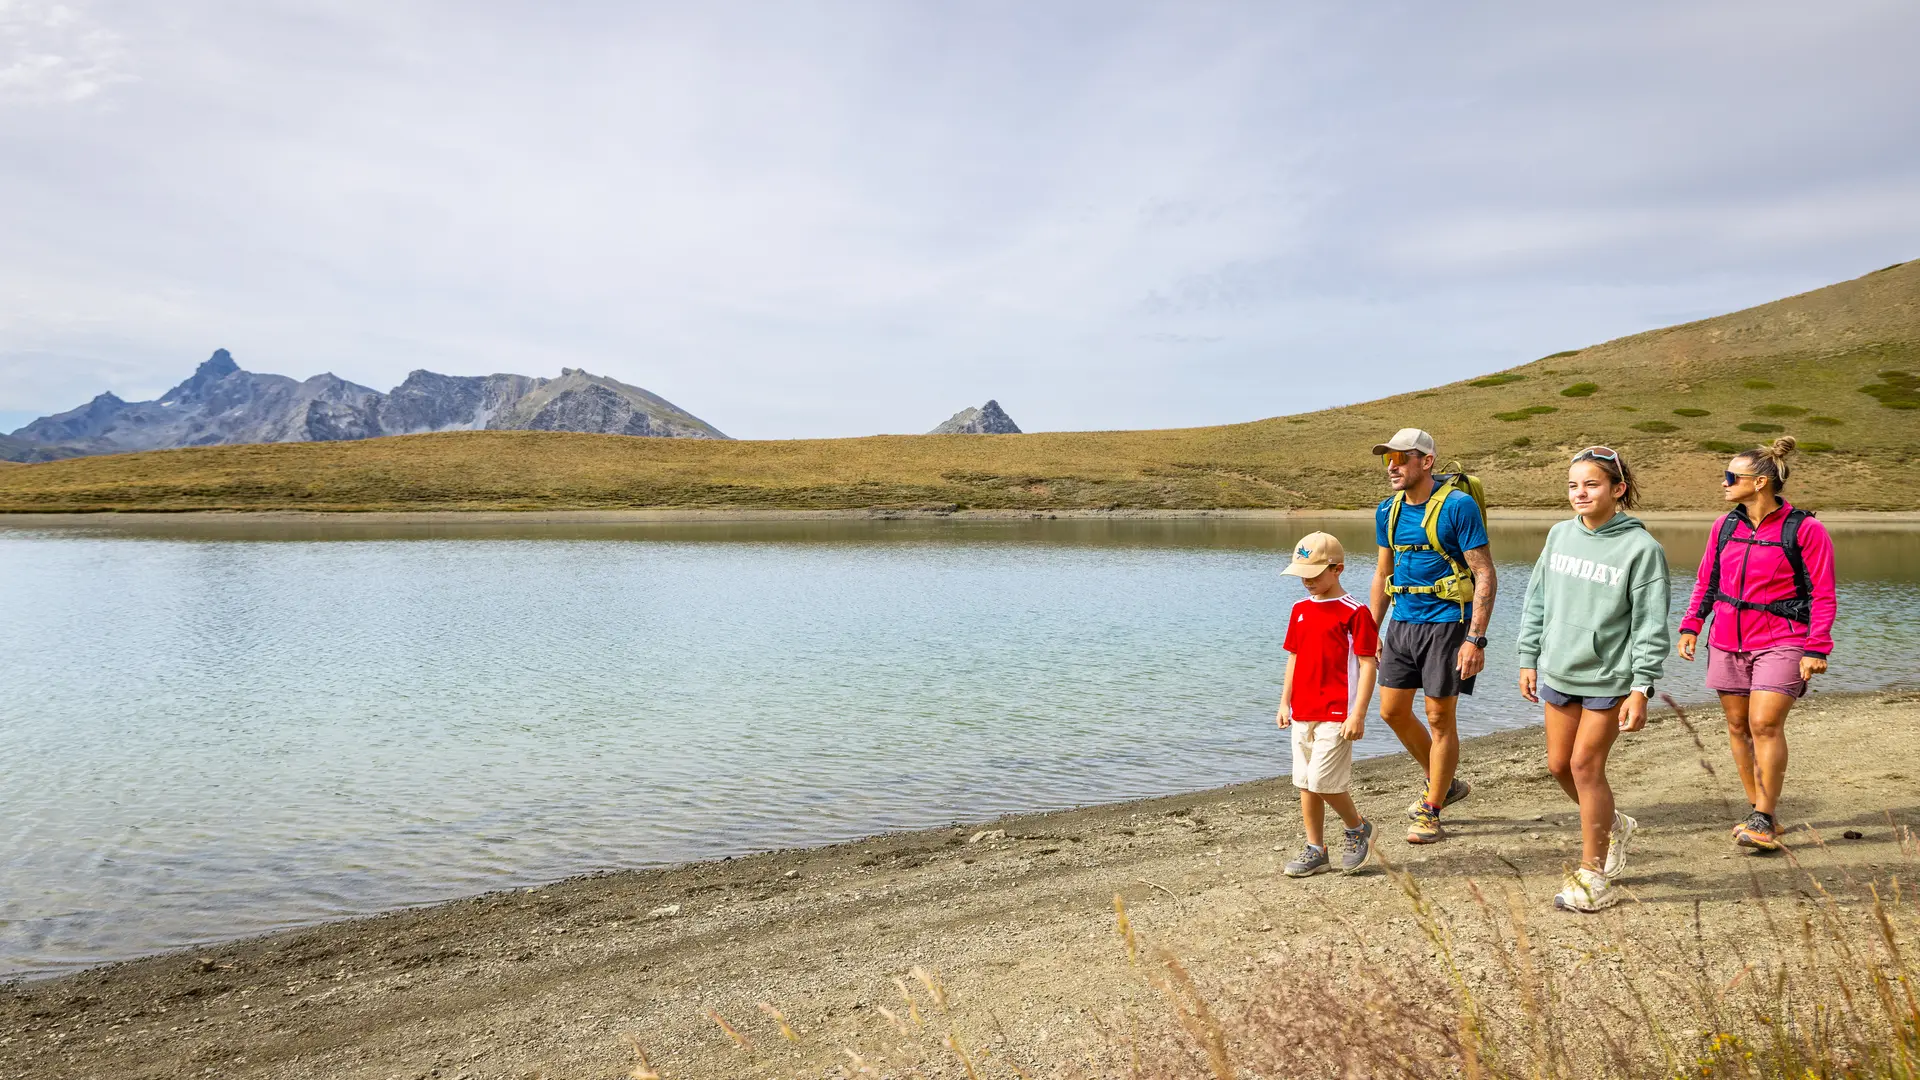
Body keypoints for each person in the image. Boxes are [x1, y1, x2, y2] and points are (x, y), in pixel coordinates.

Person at [1516, 447, 1671, 913]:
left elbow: (1649, 624)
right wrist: (1528, 657)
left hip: (1610, 677)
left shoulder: (1642, 549)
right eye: (1573, 485)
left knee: (1585, 766)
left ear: (1617, 489)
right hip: (1560, 669)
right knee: (1559, 766)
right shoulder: (1560, 535)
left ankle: (1593, 876)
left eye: (1591, 484)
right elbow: (1537, 600)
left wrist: (1642, 687)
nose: (1580, 493)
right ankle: (1613, 825)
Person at [1676, 437, 1835, 853]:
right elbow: (1707, 580)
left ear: (1760, 482)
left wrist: (1817, 647)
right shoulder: (1724, 526)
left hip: (1784, 639)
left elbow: (1823, 594)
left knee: (1764, 724)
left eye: (1731, 477)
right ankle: (1760, 811)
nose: (1724, 483)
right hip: (1727, 638)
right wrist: (1692, 625)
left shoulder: (1806, 529)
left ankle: (1762, 816)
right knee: (1737, 725)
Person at [1369, 428, 1496, 845]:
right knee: (1392, 711)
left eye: (1401, 458)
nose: (1392, 467)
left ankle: (1432, 808)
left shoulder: (1458, 506)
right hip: (1402, 622)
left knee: (1440, 718)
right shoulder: (1387, 511)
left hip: (1448, 623)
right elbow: (1382, 573)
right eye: (1387, 459)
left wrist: (1475, 639)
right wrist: (1371, 629)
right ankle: (1446, 781)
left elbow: (1484, 573)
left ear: (1426, 461)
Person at [1276, 532, 1379, 877]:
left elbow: (1368, 664)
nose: (1307, 581)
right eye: (1302, 574)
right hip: (1302, 711)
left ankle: (1357, 827)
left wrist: (1358, 713)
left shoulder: (1355, 612)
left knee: (1322, 780)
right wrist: (1284, 703)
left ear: (1337, 569)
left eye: (1315, 573)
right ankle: (1316, 849)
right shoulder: (1300, 610)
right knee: (1305, 782)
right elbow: (1293, 657)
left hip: (1338, 712)